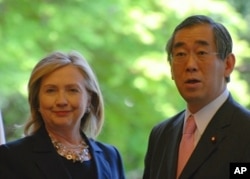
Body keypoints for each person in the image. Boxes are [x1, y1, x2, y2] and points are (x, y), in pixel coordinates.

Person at [143, 15, 250, 179]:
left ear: (228, 64)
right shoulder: (161, 134)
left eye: (201, 53)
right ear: (171, 68)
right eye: (180, 54)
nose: (190, 65)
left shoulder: (244, 131)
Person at [0, 51, 125, 179]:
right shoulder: (11, 157)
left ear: (89, 99)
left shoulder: (111, 157)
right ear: (37, 100)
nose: (61, 101)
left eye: (72, 90)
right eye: (51, 91)